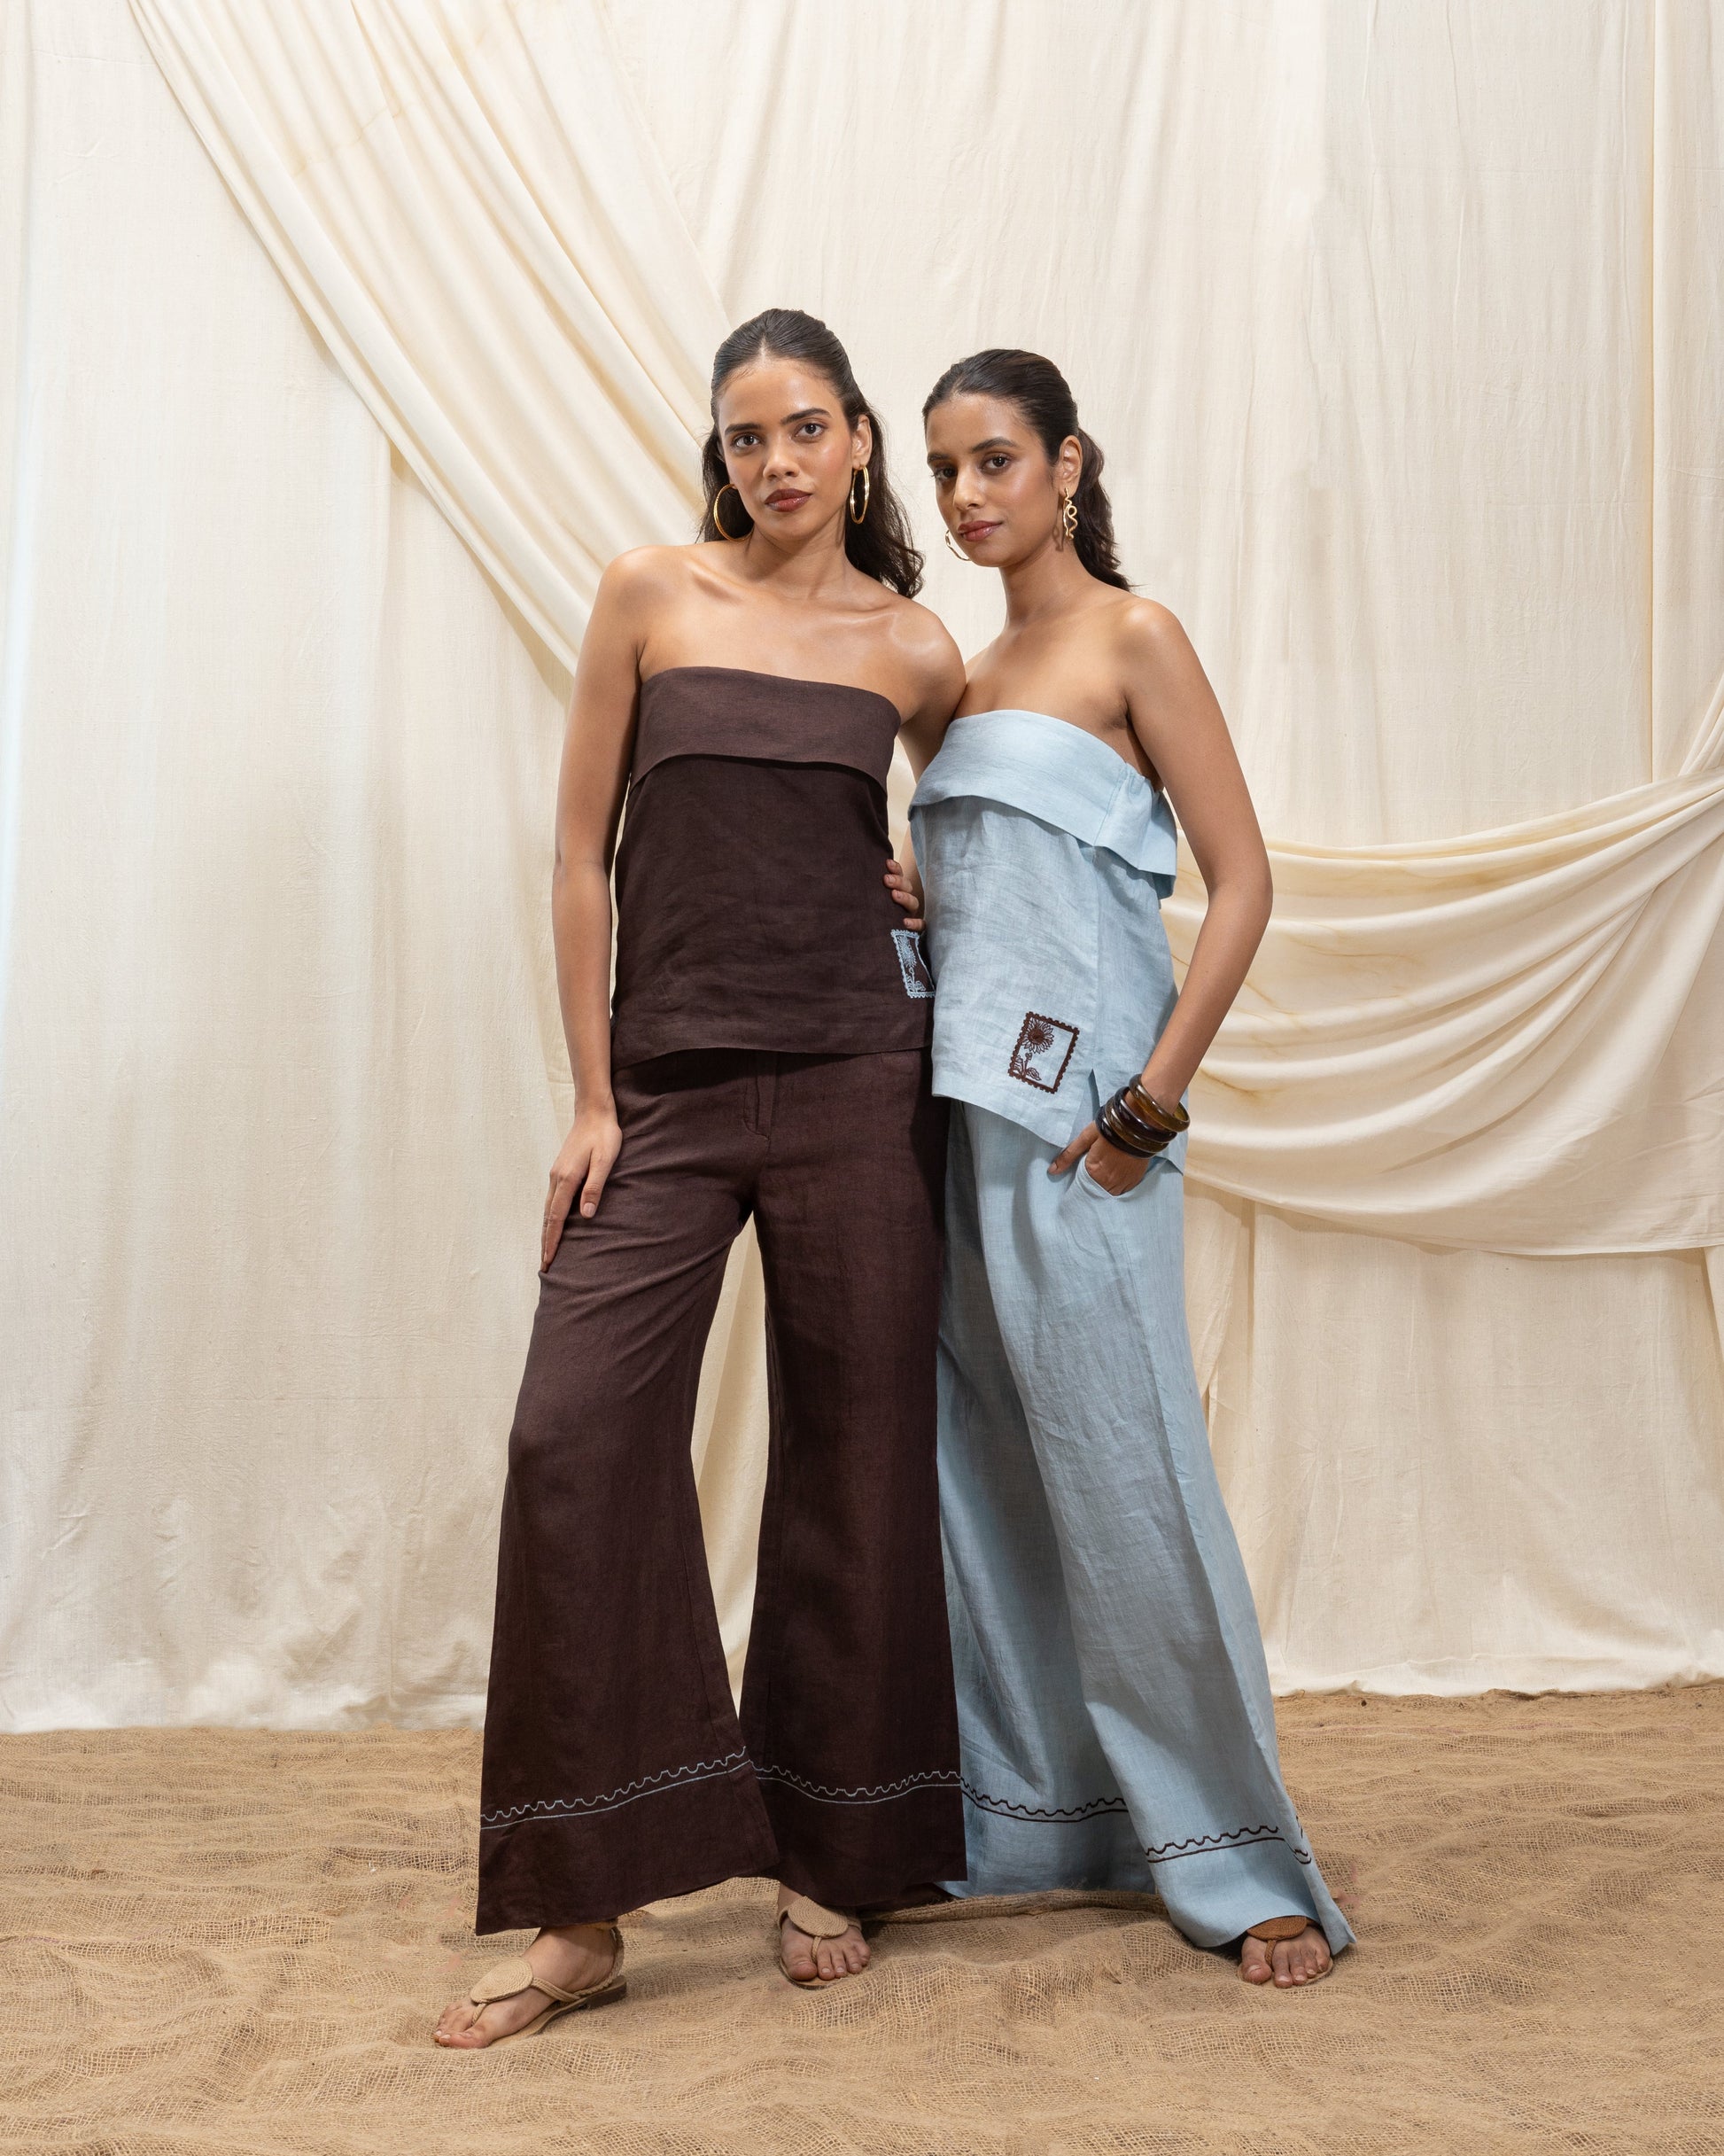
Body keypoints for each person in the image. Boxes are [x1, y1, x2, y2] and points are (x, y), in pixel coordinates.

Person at [436, 309, 967, 2048]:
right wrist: (591, 1096)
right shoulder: (647, 594)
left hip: (859, 1085)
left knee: (858, 1456)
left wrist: (934, 880)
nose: (777, 460)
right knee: (570, 1434)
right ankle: (580, 1905)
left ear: (859, 439)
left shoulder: (916, 649)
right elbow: (577, 853)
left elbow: (992, 834)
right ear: (720, 455)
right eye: (747, 436)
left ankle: (838, 1844)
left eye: (805, 426)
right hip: (661, 1089)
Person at [888, 349, 1354, 1990]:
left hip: (1087, 1136)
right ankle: (1044, 1826)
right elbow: (1003, 897)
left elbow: (1242, 881)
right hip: (960, 1124)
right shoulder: (959, 680)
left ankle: (1240, 1856)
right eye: (943, 469)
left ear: (1066, 464)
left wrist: (1150, 1106)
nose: (966, 495)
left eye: (994, 459)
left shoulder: (1130, 636)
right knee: (990, 1485)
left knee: (1128, 1474)